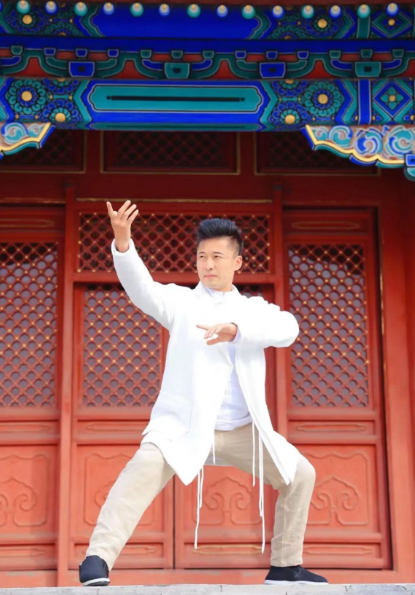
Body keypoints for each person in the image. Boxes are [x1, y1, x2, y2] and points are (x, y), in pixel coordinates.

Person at [79, 199, 328, 587]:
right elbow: (141, 289)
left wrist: (237, 331)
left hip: (243, 431)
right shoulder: (181, 302)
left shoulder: (254, 309)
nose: (208, 264)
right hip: (183, 427)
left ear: (237, 262)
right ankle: (97, 558)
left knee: (300, 474)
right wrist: (123, 242)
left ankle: (285, 567)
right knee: (140, 472)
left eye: (217, 256)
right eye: (201, 257)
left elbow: (288, 329)